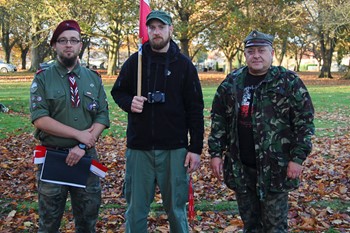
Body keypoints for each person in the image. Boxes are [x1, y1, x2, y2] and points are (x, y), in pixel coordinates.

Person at [208, 30, 315, 232]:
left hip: (276, 167)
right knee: (251, 225)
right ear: (245, 54)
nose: (256, 55)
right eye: (251, 51)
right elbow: (219, 119)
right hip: (242, 167)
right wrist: (215, 153)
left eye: (261, 50)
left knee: (275, 226)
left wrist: (298, 158)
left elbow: (305, 121)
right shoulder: (232, 83)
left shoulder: (288, 82)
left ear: (271, 53)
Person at [110, 10, 204, 233]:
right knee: (136, 210)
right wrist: (129, 102)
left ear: (171, 29)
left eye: (161, 27)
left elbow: (195, 109)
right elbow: (118, 92)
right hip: (140, 148)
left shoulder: (184, 66)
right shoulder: (135, 62)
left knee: (176, 210)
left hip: (174, 149)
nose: (156, 32)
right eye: (151, 27)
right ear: (147, 31)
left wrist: (196, 148)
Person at [30, 19, 110, 232]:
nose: (68, 45)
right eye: (62, 40)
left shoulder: (93, 78)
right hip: (53, 158)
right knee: (48, 223)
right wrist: (79, 135)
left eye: (73, 40)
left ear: (80, 46)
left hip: (85, 158)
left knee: (87, 222)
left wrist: (82, 145)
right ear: (54, 45)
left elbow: (102, 115)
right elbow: (40, 119)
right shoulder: (43, 78)